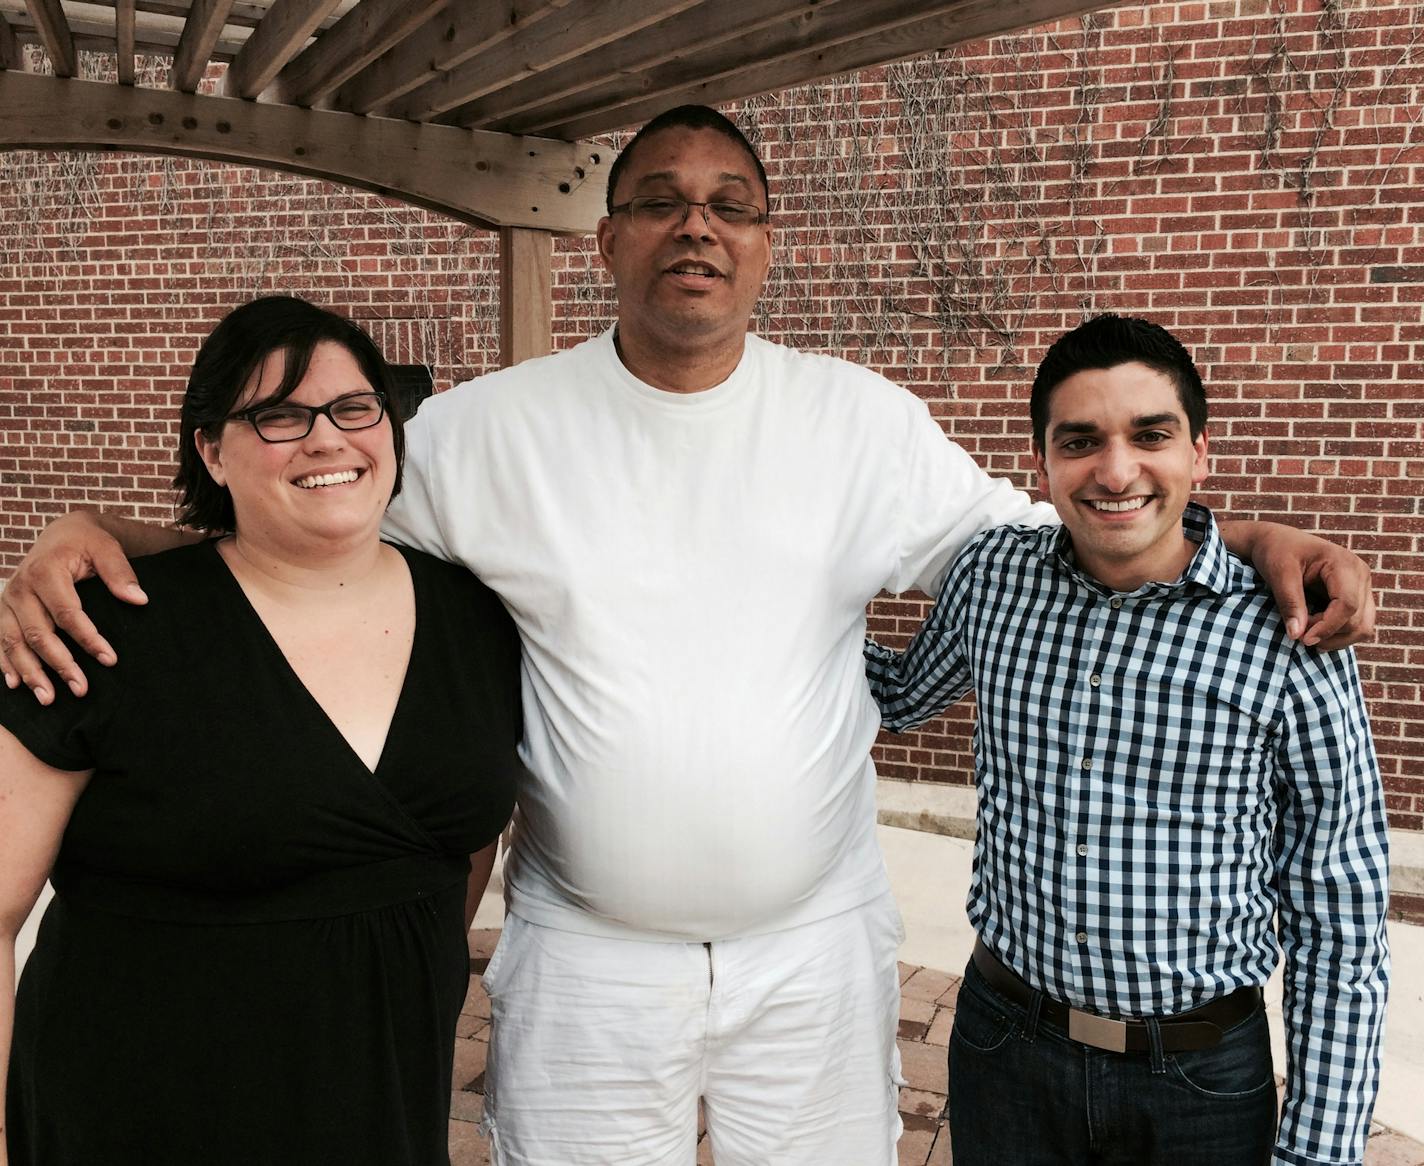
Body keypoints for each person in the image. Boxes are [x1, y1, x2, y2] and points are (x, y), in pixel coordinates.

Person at [0, 109, 1376, 1165]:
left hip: (814, 952)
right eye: (657, 202)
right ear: (609, 243)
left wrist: (1250, 537)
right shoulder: (490, 429)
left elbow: (1083, 521)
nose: (694, 226)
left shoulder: (858, 420)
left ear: (767, 240)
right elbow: (307, 503)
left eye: (729, 204)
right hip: (591, 951)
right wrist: (105, 531)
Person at [0, 296, 524, 1166]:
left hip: (378, 1106)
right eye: (278, 416)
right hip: (136, 1112)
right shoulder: (101, 630)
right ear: (212, 448)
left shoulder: (474, 618)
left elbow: (450, 851)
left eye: (355, 408)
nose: (327, 440)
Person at [865, 315, 1390, 1166]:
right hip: (1006, 1049)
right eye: (1080, 441)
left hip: (1198, 1083)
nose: (1115, 471)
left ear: (1199, 454)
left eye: (1151, 435)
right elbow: (896, 693)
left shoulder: (1290, 631)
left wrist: (1321, 1152)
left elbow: (1339, 917)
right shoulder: (994, 580)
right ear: (1041, 464)